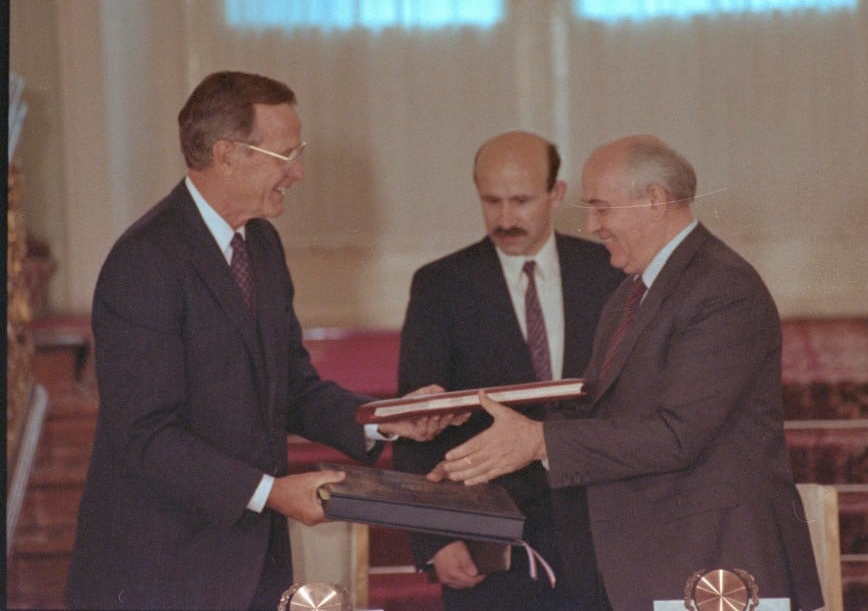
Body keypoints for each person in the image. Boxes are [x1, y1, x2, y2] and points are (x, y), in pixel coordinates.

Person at [64, 71, 462, 611]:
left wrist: (384, 417)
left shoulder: (262, 245)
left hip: (250, 561)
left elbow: (292, 387)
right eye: (284, 155)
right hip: (162, 568)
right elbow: (146, 436)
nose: (297, 173)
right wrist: (272, 493)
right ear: (227, 154)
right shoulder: (145, 262)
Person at [431, 135, 827, 611]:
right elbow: (602, 414)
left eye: (601, 209)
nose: (593, 226)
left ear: (655, 200)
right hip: (655, 558)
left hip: (717, 562)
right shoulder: (629, 294)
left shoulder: (721, 288)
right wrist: (483, 457)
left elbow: (678, 434)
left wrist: (537, 441)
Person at [392, 131, 624, 610]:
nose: (505, 218)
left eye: (520, 201)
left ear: (556, 194)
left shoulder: (608, 271)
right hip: (491, 542)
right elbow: (418, 418)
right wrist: (434, 537)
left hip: (602, 532)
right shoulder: (440, 286)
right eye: (491, 201)